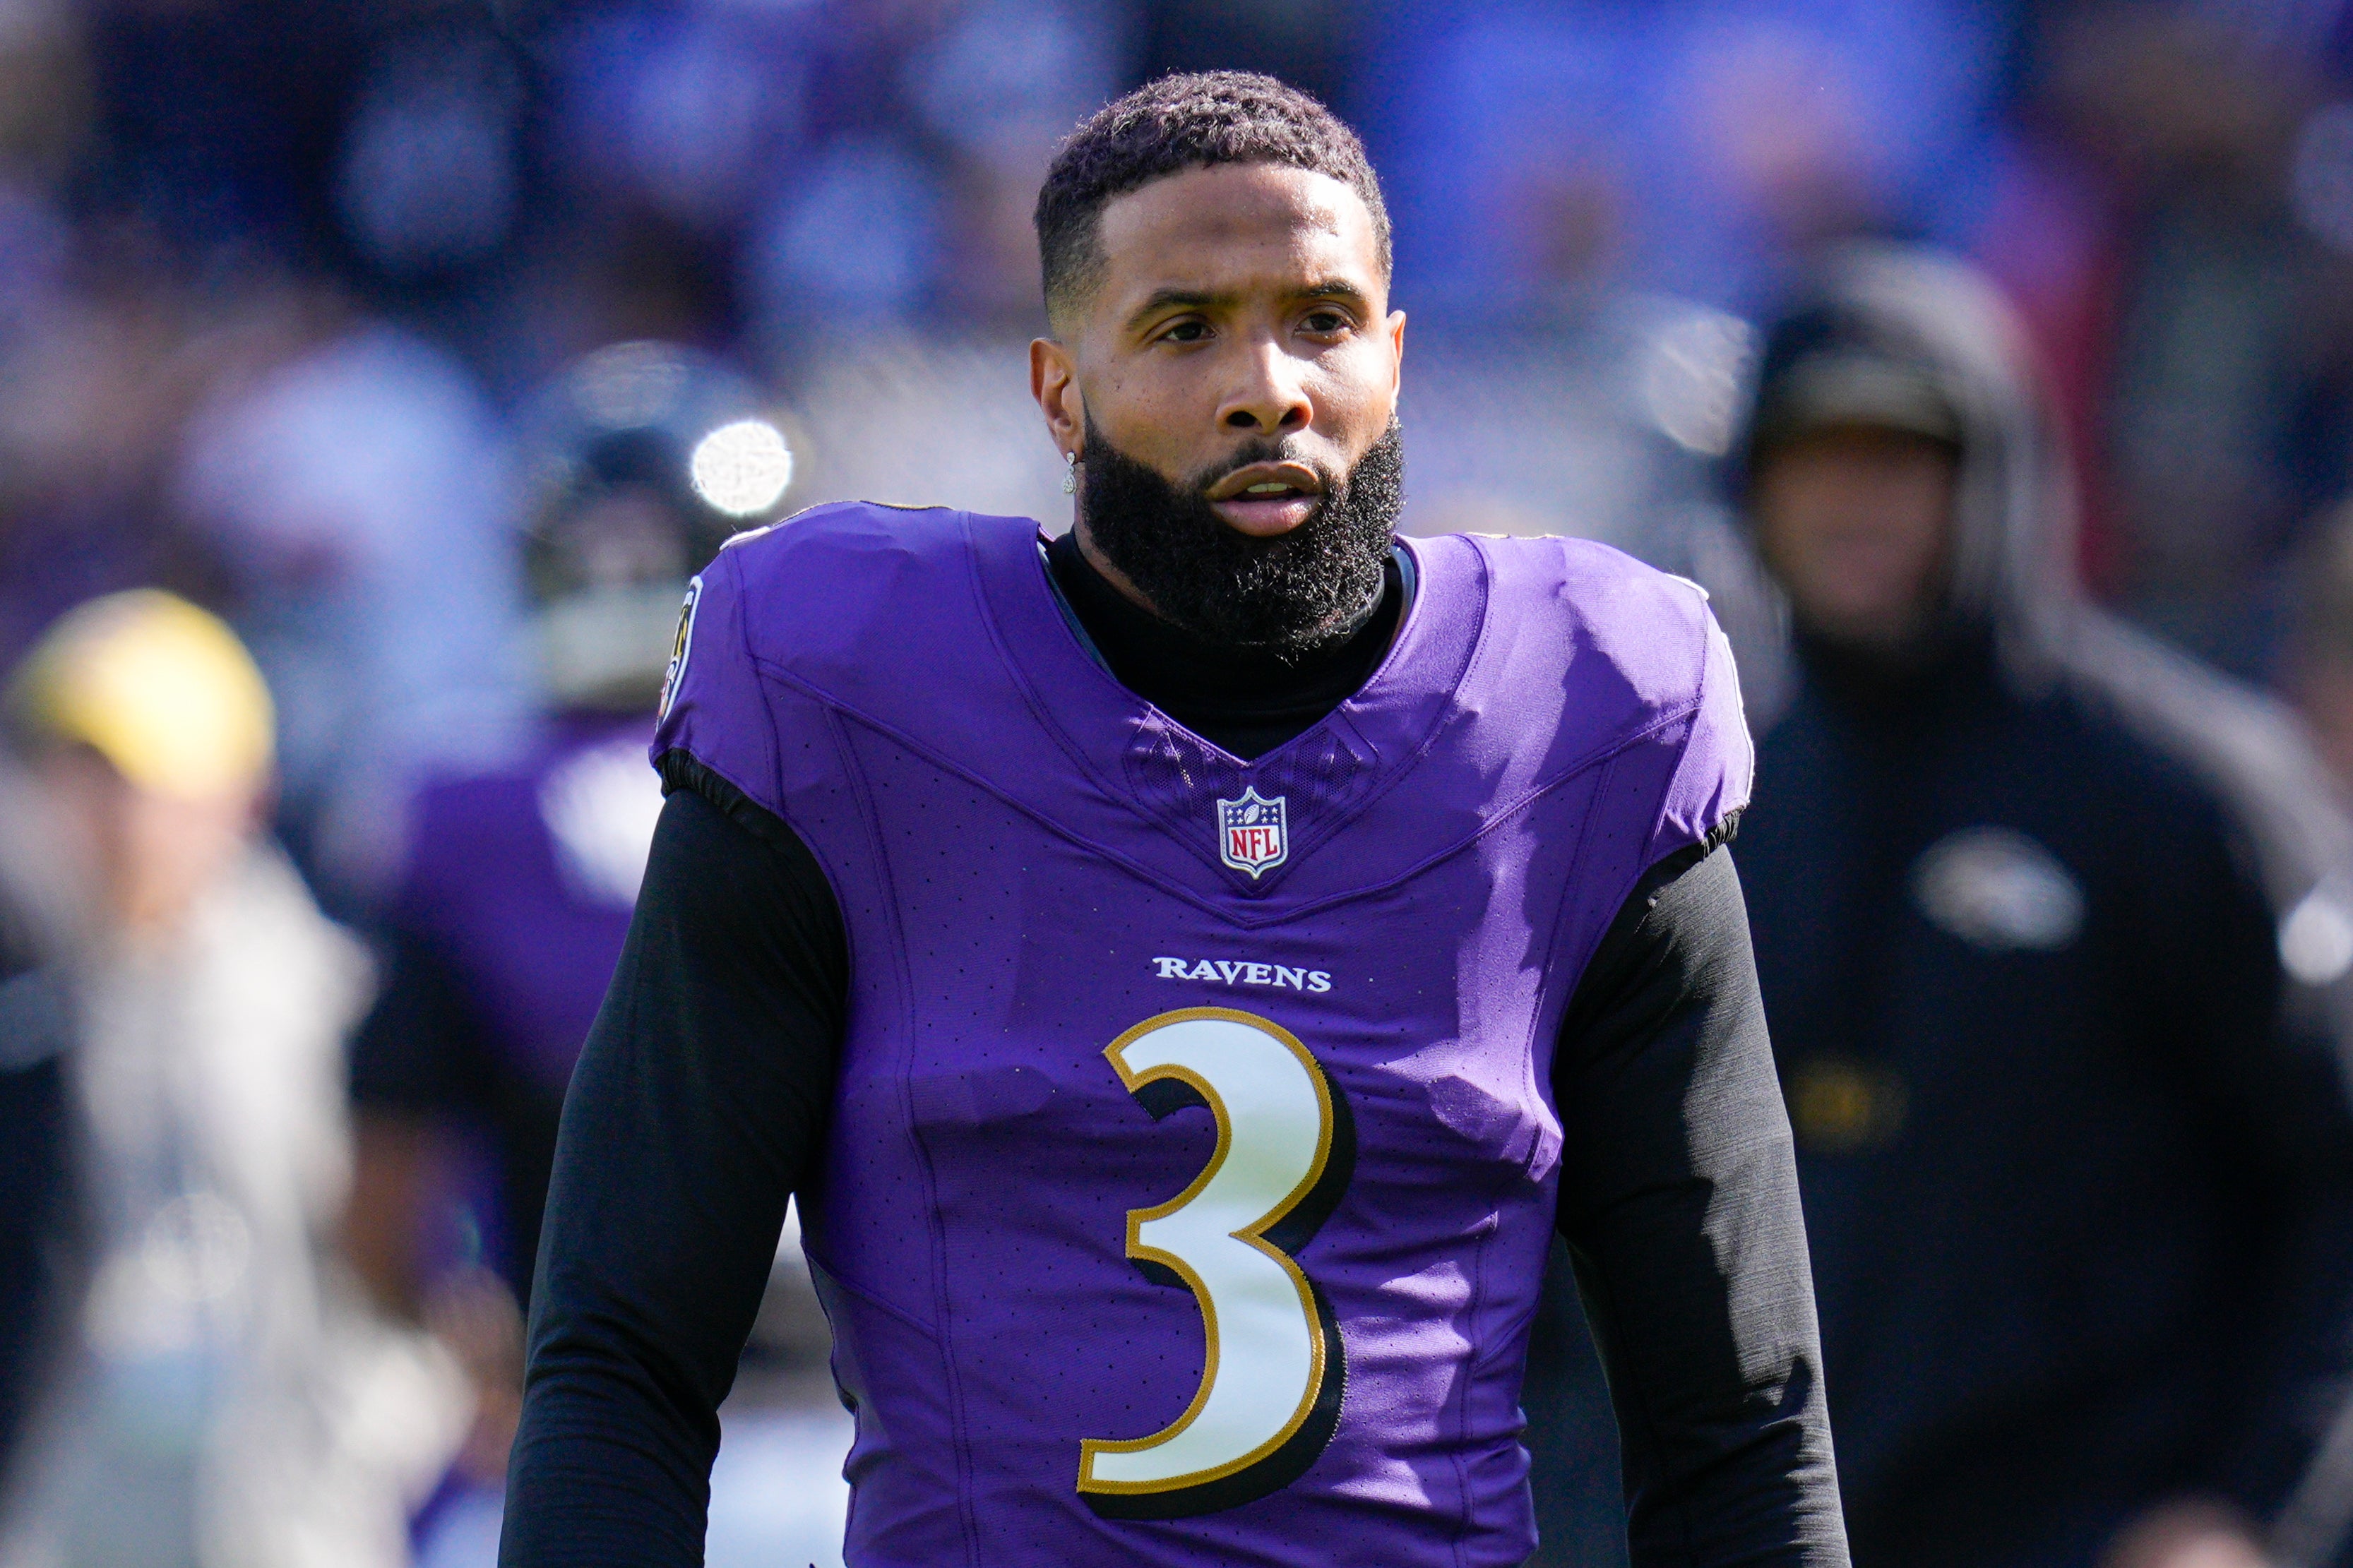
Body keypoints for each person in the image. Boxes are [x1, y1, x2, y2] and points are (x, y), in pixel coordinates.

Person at [503, 72, 1847, 1567]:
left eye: (1321, 319)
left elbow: (1741, 1428)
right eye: (1184, 326)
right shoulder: (852, 694)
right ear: (1058, 393)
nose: (1267, 385)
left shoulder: (1581, 717)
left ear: (1396, 359)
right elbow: (623, 1357)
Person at [1696, 245, 2353, 1568]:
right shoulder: (1723, 806)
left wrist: (2251, 1507)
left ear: (1995, 476)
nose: (1854, 499)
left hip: (2103, 1528)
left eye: (1902, 456)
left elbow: (2336, 1171)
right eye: (1813, 455)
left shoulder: (2183, 787)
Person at [0, 590, 468, 1568]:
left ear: (236, 798)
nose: (96, 820)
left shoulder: (318, 1004)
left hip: (291, 1514)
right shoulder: (44, 1001)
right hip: (83, 1506)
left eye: (131, 784)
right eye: (68, 774)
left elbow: (403, 1257)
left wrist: (366, 1452)